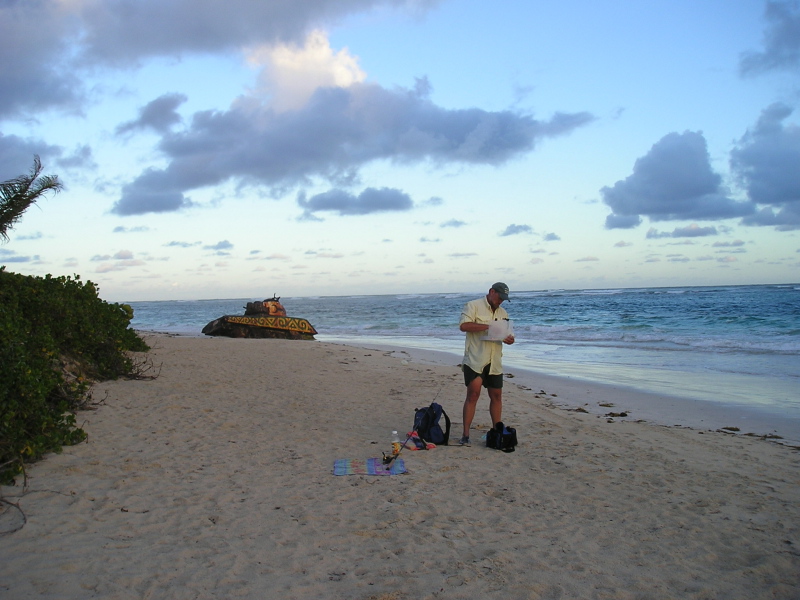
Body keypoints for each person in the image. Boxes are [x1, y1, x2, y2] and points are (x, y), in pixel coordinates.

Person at [457, 282, 515, 446]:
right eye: (499, 297)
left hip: (495, 360)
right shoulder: (473, 306)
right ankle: (465, 435)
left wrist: (509, 339)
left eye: (504, 299)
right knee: (473, 396)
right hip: (475, 358)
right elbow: (464, 326)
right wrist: (488, 325)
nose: (501, 301)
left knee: (496, 396)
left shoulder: (503, 312)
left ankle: (497, 432)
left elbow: (508, 335)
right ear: (491, 292)